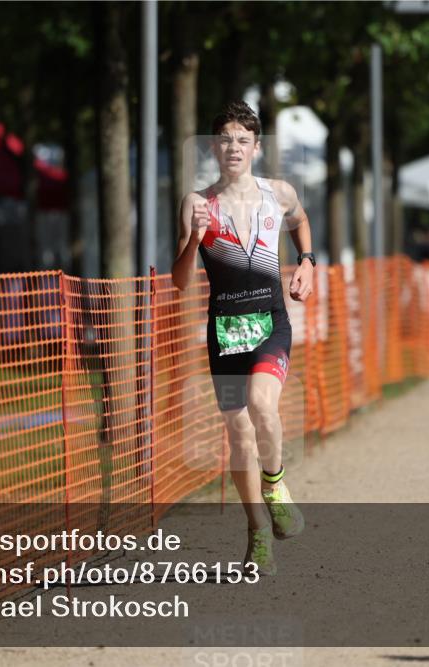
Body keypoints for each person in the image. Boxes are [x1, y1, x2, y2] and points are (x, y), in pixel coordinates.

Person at [171, 101, 312, 575]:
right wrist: (194, 239)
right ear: (215, 147)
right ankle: (257, 537)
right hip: (225, 328)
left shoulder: (279, 193)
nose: (234, 147)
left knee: (263, 405)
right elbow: (180, 281)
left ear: (255, 147)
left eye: (243, 140)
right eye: (226, 139)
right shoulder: (197, 203)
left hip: (270, 320)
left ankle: (275, 487)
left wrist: (307, 261)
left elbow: (300, 221)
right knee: (239, 435)